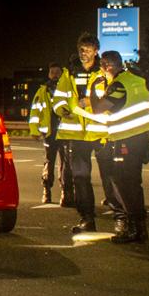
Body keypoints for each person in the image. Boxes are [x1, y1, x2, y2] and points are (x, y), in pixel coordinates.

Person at [80, 51, 149, 243]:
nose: (102, 70)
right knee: (134, 184)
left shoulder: (118, 85)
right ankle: (140, 229)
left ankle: (133, 228)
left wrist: (94, 90)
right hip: (141, 139)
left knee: (124, 184)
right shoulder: (137, 80)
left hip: (126, 141)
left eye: (103, 66)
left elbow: (98, 108)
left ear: (107, 65)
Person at [52, 32, 120, 233]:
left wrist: (91, 103)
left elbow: (113, 97)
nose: (83, 53)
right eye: (81, 49)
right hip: (77, 135)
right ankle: (87, 219)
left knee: (110, 176)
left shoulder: (104, 70)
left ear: (96, 50)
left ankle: (120, 217)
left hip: (100, 133)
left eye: (87, 50)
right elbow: (59, 98)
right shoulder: (69, 72)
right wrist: (62, 109)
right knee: (80, 178)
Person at [29, 63, 73, 204]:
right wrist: (34, 130)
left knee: (66, 165)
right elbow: (35, 111)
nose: (54, 74)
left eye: (57, 72)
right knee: (49, 162)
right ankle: (46, 191)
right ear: (48, 74)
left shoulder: (68, 89)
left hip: (66, 132)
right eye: (52, 72)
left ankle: (66, 194)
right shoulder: (43, 91)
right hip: (50, 133)